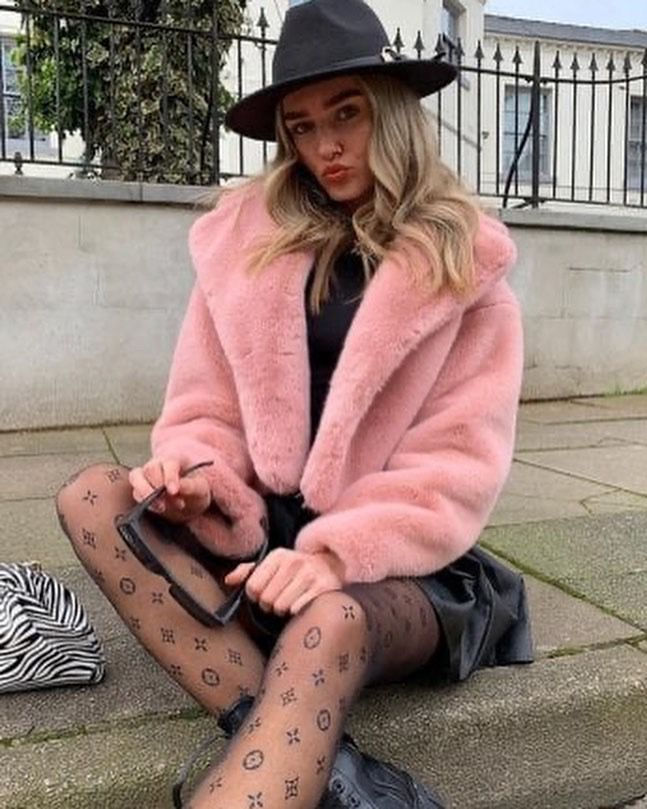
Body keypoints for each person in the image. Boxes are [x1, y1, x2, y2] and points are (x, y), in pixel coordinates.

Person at [55, 0, 533, 807]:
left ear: (391, 112)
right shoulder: (242, 247)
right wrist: (196, 478)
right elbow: (205, 408)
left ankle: (295, 749)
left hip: (394, 563)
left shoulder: (464, 267)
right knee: (94, 497)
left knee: (328, 622)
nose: (324, 146)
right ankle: (338, 775)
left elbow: (454, 466)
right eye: (302, 126)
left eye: (346, 114)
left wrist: (330, 558)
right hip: (259, 543)